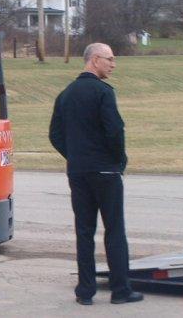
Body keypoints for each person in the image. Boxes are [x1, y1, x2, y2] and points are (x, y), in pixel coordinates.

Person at [48, 43, 143, 305]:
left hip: (78, 172)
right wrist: (118, 160)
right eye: (110, 59)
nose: (113, 64)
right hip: (105, 171)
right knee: (114, 230)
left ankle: (85, 291)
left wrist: (75, 156)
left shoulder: (66, 94)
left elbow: (55, 134)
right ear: (94, 59)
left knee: (84, 231)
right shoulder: (103, 92)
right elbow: (115, 130)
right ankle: (121, 290)